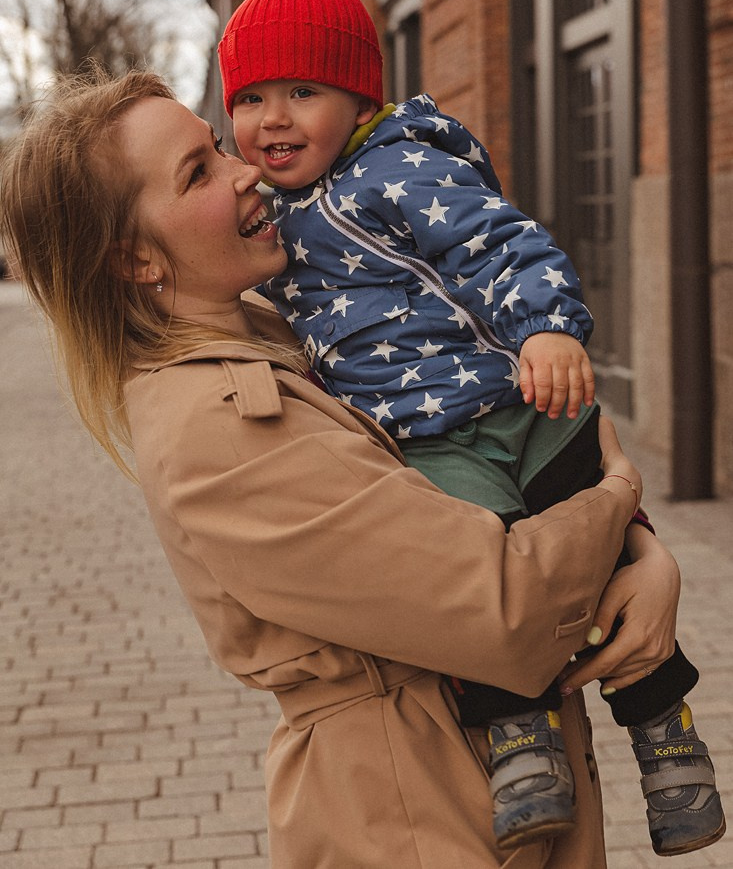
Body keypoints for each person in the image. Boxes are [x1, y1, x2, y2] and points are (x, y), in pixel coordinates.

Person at [0, 66, 691, 868]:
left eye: (216, 146)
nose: (247, 168)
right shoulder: (213, 427)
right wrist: (617, 498)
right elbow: (500, 603)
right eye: (200, 173)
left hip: (467, 778)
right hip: (415, 812)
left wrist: (647, 560)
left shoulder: (295, 330)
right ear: (134, 262)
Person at [218, 0, 725, 856]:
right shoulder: (275, 216)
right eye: (249, 98)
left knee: (611, 571)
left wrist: (545, 325)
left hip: (524, 406)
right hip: (429, 444)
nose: (271, 118)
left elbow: (501, 245)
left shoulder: (401, 169)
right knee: (484, 577)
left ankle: (667, 737)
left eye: (302, 91)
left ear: (357, 98)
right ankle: (520, 739)